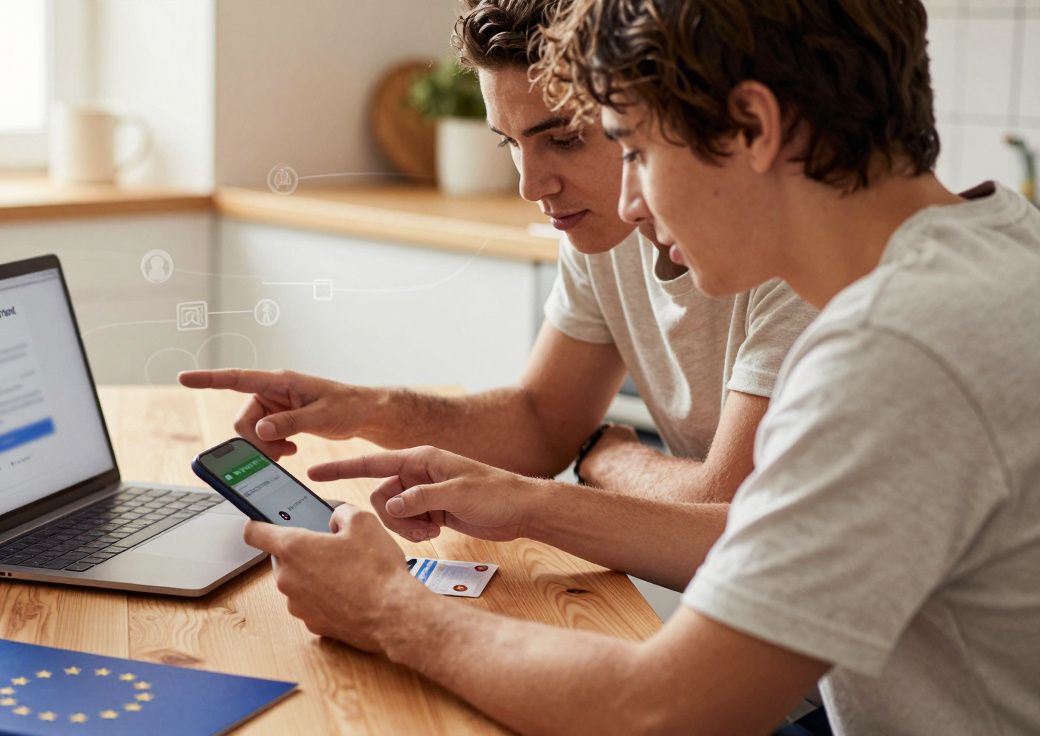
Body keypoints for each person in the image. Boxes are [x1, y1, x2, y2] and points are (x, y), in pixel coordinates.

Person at [232, 0, 1040, 733]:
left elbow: (663, 710)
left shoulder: (892, 353)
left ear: (754, 126)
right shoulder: (1002, 244)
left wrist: (387, 609)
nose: (630, 205)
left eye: (635, 149)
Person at [182, 0, 815, 530]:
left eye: (563, 139)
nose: (532, 186)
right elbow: (542, 424)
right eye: (509, 144)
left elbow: (730, 514)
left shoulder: (795, 253)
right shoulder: (601, 229)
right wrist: (363, 408)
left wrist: (607, 460)